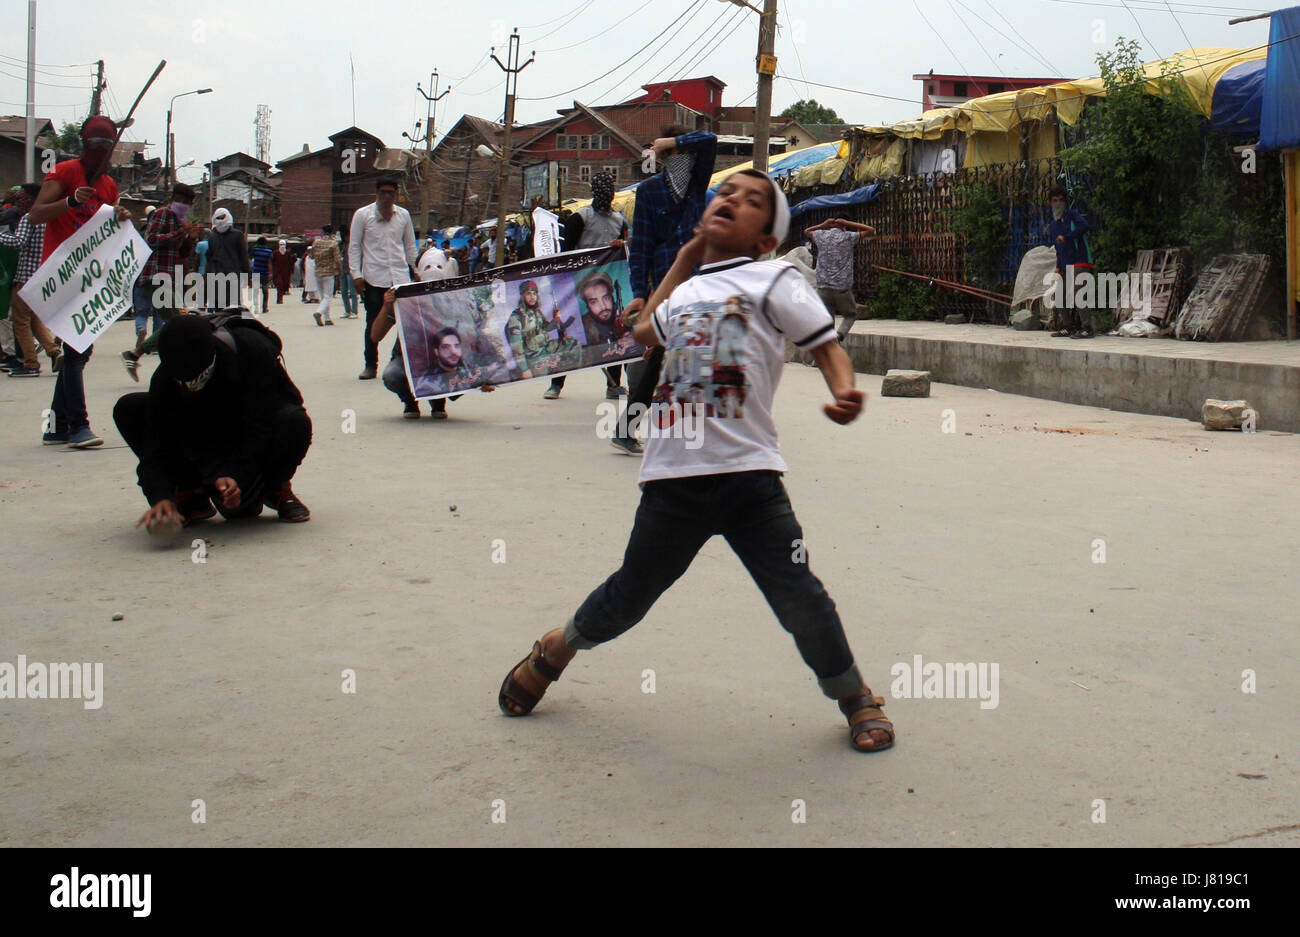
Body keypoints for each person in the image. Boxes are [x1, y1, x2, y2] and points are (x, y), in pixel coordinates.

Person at [496, 169, 892, 754]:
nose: (732, 199)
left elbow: (826, 347)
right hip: (673, 482)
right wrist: (684, 256)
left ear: (765, 238)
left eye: (753, 201)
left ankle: (854, 694)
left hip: (750, 478)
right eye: (726, 193)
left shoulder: (776, 277)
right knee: (629, 595)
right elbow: (643, 331)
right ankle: (557, 647)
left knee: (800, 596)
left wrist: (844, 389)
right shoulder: (686, 289)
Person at [113, 313, 312, 535]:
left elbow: (262, 425)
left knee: (293, 420)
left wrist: (234, 475)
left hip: (247, 445)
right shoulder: (166, 377)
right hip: (200, 446)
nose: (190, 385)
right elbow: (156, 443)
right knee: (129, 408)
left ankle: (276, 488)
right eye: (183, 381)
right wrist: (161, 496)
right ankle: (189, 495)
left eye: (198, 378)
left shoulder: (252, 350)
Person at [26, 114, 133, 448]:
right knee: (76, 349)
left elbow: (111, 218)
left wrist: (121, 214)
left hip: (91, 276)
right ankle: (78, 426)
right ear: (85, 146)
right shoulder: (66, 172)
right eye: (96, 145)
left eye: (107, 146)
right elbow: (36, 214)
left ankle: (55, 426)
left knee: (81, 352)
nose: (102, 152)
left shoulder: (108, 185)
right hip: (61, 274)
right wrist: (71, 201)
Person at [614, 124, 717, 456]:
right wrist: (639, 293)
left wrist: (672, 142)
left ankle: (688, 430)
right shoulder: (648, 193)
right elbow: (641, 247)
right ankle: (631, 429)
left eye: (688, 154)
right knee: (660, 355)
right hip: (665, 285)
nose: (685, 159)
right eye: (678, 155)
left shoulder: (698, 187)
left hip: (701, 283)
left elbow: (710, 140)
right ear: (665, 159)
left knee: (701, 354)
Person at [546, 171, 631, 401]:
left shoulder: (620, 220)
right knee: (570, 334)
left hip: (607, 286)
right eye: (602, 191)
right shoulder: (579, 218)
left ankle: (613, 385)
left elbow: (626, 247)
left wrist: (622, 244)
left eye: (609, 191)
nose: (606, 195)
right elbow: (567, 255)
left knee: (614, 333)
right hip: (579, 285)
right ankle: (556, 383)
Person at [122, 184, 201, 380]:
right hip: (155, 275)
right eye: (183, 203)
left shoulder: (181, 220)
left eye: (189, 204)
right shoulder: (161, 214)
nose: (186, 207)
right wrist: (181, 233)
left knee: (178, 323)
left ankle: (135, 354)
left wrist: (191, 239)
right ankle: (147, 359)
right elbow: (151, 240)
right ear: (176, 200)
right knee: (180, 323)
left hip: (169, 277)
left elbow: (182, 253)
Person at [349, 177, 417, 379]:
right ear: (376, 194)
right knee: (373, 323)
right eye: (383, 193)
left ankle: (400, 361)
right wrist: (356, 275)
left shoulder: (403, 215)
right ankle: (371, 364)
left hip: (400, 279)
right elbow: (354, 246)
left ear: (396, 194)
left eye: (391, 193)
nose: (387, 196)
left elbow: (410, 245)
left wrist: (415, 268)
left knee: (406, 324)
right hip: (374, 279)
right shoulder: (363, 215)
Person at [0, 183, 62, 377]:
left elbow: (18, 242)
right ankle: (53, 350)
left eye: (22, 197)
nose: (19, 202)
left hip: (25, 277)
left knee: (20, 321)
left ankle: (30, 363)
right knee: (33, 319)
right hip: (41, 276)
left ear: (32, 199)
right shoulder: (48, 218)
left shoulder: (30, 218)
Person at [804, 217, 874, 341]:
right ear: (844, 225)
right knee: (850, 315)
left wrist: (822, 224)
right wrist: (848, 222)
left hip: (823, 287)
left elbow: (807, 231)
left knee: (828, 319)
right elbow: (871, 230)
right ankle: (840, 335)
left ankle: (830, 346)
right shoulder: (848, 237)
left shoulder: (821, 235)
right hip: (842, 288)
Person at [504, 279, 580, 381]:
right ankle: (556, 379)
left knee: (573, 344)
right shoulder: (516, 317)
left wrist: (556, 319)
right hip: (533, 357)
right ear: (522, 296)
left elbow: (546, 327)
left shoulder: (537, 312)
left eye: (534, 294)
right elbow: (516, 348)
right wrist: (524, 369)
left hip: (545, 348)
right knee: (542, 376)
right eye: (528, 294)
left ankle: (566, 374)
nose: (532, 297)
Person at [1046, 185, 1095, 339]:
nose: (1058, 203)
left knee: (1077, 292)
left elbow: (1085, 226)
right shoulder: (1054, 225)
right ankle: (1068, 326)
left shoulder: (1072, 215)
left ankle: (1087, 327)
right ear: (1050, 203)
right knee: (1058, 294)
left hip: (1080, 260)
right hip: (1066, 264)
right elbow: (1059, 248)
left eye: (1061, 200)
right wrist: (1058, 267)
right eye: (1055, 201)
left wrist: (1068, 237)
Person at [204, 207, 250, 311]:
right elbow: (209, 258)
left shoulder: (237, 235)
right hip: (216, 277)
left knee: (232, 309)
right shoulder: (212, 236)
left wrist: (247, 274)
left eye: (222, 217)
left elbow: (243, 256)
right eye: (218, 218)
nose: (220, 221)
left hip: (232, 277)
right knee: (218, 309)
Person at [310, 224, 341, 326]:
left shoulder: (316, 242)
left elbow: (312, 256)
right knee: (328, 297)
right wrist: (340, 271)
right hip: (329, 273)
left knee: (323, 297)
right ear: (332, 232)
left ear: (322, 232)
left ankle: (327, 318)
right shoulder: (333, 243)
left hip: (318, 272)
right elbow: (337, 259)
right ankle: (318, 313)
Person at [249, 235, 274, 314]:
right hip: (265, 273)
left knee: (255, 291)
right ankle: (264, 307)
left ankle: (256, 308)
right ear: (266, 243)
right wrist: (270, 273)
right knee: (265, 291)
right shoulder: (269, 251)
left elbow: (249, 259)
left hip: (256, 273)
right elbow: (269, 263)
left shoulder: (255, 250)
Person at [338, 230, 357, 318]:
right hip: (344, 270)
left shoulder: (353, 246)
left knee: (353, 292)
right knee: (343, 292)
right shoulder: (343, 245)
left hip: (351, 271)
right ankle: (347, 311)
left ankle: (354, 311)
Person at [270, 239, 293, 304]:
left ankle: (280, 298)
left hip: (286, 272)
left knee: (284, 286)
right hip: (278, 272)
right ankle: (280, 299)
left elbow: (290, 262)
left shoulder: (288, 253)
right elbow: (271, 261)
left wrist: (291, 270)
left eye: (283, 244)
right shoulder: (275, 253)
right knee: (279, 285)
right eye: (281, 245)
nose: (282, 246)